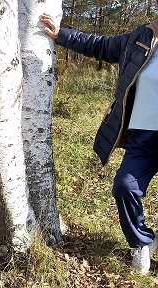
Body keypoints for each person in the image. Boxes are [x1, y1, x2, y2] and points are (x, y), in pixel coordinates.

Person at [41, 13, 158, 275]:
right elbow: (101, 46)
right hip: (143, 136)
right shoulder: (140, 38)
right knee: (125, 187)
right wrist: (62, 35)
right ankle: (143, 242)